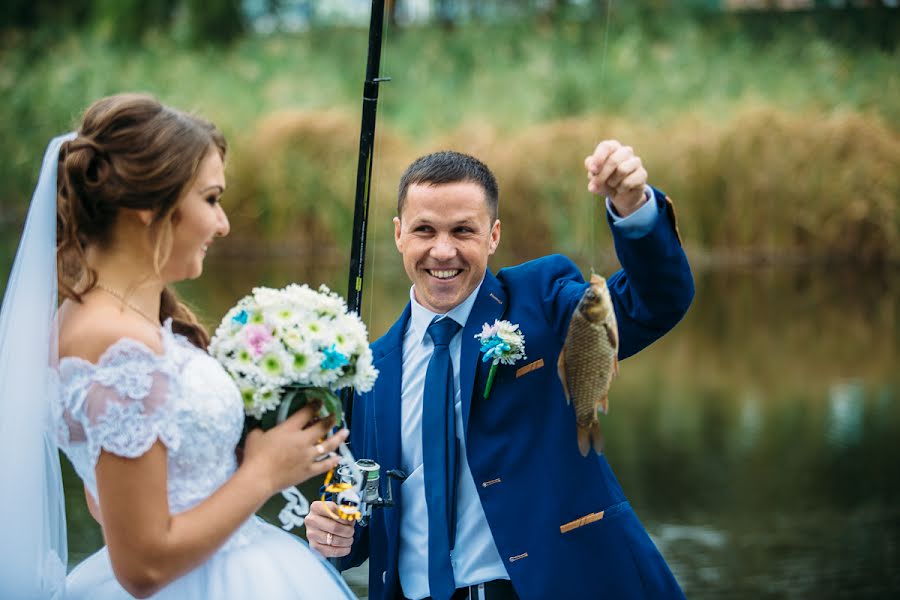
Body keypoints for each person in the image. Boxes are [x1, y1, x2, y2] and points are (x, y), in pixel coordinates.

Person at [0, 93, 357, 599]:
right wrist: (262, 472)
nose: (223, 223)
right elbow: (142, 567)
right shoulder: (112, 340)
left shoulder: (100, 319)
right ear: (149, 207)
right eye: (210, 199)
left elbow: (105, 495)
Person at [305, 142, 694, 600]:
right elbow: (359, 511)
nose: (442, 251)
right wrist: (331, 529)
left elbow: (652, 302)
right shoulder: (368, 370)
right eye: (425, 230)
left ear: (493, 235)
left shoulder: (541, 298)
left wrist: (634, 209)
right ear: (399, 235)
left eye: (463, 231)